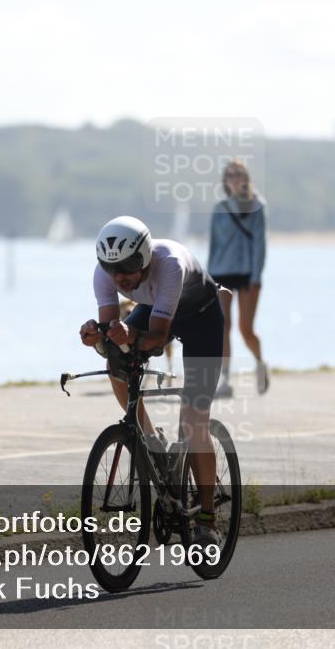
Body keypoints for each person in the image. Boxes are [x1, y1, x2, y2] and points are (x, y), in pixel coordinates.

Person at [79, 215, 224, 547]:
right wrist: (96, 337)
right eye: (113, 270)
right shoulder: (105, 275)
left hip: (202, 317)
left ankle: (206, 521)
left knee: (193, 422)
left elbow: (157, 339)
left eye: (129, 268)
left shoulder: (169, 264)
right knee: (116, 360)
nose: (121, 278)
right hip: (154, 308)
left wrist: (129, 333)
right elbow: (111, 338)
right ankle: (150, 436)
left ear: (145, 257)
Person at [207, 160, 269, 397]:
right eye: (230, 174)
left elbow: (260, 245)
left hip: (247, 274)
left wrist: (256, 276)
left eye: (238, 174)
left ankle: (260, 363)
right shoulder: (219, 207)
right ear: (225, 179)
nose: (234, 178)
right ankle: (225, 380)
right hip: (221, 272)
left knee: (245, 328)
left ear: (245, 178)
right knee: (223, 326)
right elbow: (213, 245)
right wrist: (207, 277)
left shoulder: (257, 206)